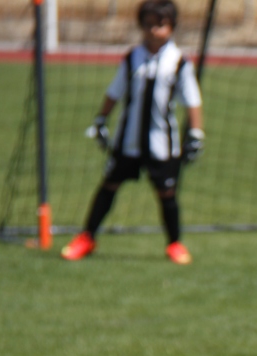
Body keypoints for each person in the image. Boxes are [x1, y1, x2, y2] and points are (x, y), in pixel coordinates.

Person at [61, 0, 203, 264]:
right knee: (109, 186)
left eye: (160, 24)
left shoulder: (179, 62)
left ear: (171, 26)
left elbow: (192, 100)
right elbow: (115, 92)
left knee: (167, 194)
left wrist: (196, 134)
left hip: (162, 142)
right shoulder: (132, 58)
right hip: (128, 140)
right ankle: (87, 237)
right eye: (148, 24)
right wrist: (101, 120)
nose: (153, 30)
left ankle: (175, 244)